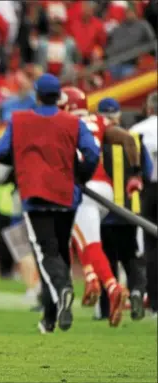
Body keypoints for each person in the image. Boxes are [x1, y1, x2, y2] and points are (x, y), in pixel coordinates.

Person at [0, 73, 100, 334]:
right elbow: (92, 152)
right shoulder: (73, 122)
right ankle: (50, 318)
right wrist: (81, 176)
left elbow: (0, 151)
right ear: (59, 97)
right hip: (67, 194)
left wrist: (23, 161)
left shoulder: (19, 120)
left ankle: (63, 289)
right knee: (59, 251)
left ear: (37, 95)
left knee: (46, 253)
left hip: (35, 193)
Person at [60, 88, 143, 327]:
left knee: (83, 240)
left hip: (84, 189)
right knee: (87, 238)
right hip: (106, 190)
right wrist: (135, 174)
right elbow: (127, 139)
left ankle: (100, 281)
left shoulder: (63, 122)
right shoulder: (98, 120)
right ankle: (99, 281)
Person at [97, 97, 153, 321]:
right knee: (131, 258)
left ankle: (106, 308)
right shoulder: (135, 141)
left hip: (103, 212)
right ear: (118, 115)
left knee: (106, 260)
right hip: (131, 211)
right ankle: (138, 292)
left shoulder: (95, 141)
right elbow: (147, 174)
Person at [130, 91, 158, 317]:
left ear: (148, 109)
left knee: (149, 245)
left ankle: (154, 298)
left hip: (146, 190)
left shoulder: (137, 131)